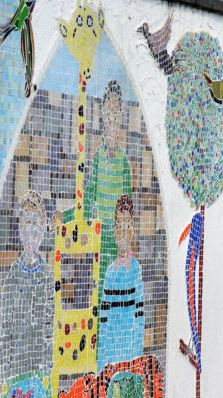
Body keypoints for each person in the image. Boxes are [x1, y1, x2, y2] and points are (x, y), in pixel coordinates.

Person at [53, 80, 132, 301]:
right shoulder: (98, 157)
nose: (112, 117)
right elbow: (87, 200)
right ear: (103, 116)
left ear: (121, 115)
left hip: (118, 244)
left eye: (115, 111)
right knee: (98, 296)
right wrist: (66, 217)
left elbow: (128, 212)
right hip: (99, 238)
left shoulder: (124, 163)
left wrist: (124, 244)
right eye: (108, 111)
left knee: (116, 297)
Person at [0, 190, 54, 377]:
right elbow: (5, 329)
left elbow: (50, 326)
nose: (32, 230)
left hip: (40, 370)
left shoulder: (47, 275)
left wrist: (47, 369)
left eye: (37, 224)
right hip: (16, 369)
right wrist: (6, 373)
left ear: (43, 229)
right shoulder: (13, 275)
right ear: (20, 228)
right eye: (28, 223)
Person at [96, 195, 144, 369]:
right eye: (119, 225)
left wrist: (136, 359)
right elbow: (104, 320)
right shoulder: (110, 273)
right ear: (114, 230)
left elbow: (139, 318)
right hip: (110, 355)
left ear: (133, 230)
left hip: (130, 354)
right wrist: (102, 364)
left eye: (128, 225)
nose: (123, 231)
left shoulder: (136, 271)